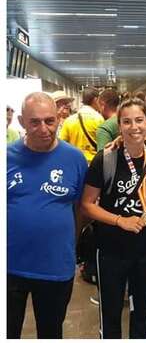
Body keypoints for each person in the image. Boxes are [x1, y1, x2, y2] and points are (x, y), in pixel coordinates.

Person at [80, 98, 146, 338]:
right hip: (111, 247)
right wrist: (120, 220)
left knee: (141, 311)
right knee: (111, 311)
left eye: (139, 120)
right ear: (119, 126)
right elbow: (87, 205)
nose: (134, 127)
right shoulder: (106, 158)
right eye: (126, 122)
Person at [7, 93, 88, 339]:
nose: (44, 128)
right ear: (22, 122)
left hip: (55, 267)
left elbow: (82, 208)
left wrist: (69, 242)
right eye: (35, 122)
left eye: (49, 121)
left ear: (59, 119)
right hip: (9, 267)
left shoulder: (74, 159)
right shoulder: (6, 157)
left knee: (50, 332)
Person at [58, 87, 104, 163]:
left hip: (74, 161)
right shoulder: (99, 119)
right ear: (96, 100)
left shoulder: (69, 121)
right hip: (94, 162)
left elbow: (61, 143)